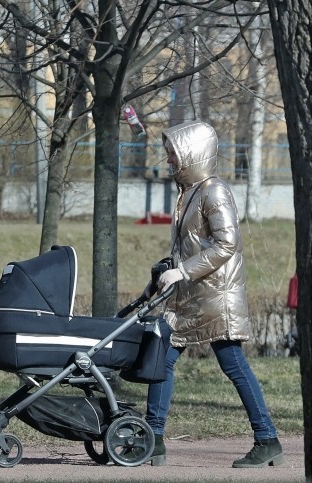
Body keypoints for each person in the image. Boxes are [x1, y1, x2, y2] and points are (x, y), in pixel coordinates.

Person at [147, 120, 283, 468]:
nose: (170, 161)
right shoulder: (189, 192)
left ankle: (267, 439)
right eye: (169, 156)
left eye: (174, 155)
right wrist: (169, 269)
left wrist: (184, 270)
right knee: (162, 360)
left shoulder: (214, 190)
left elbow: (227, 244)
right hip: (191, 295)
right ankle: (153, 439)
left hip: (216, 296)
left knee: (234, 364)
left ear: (193, 155)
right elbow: (192, 244)